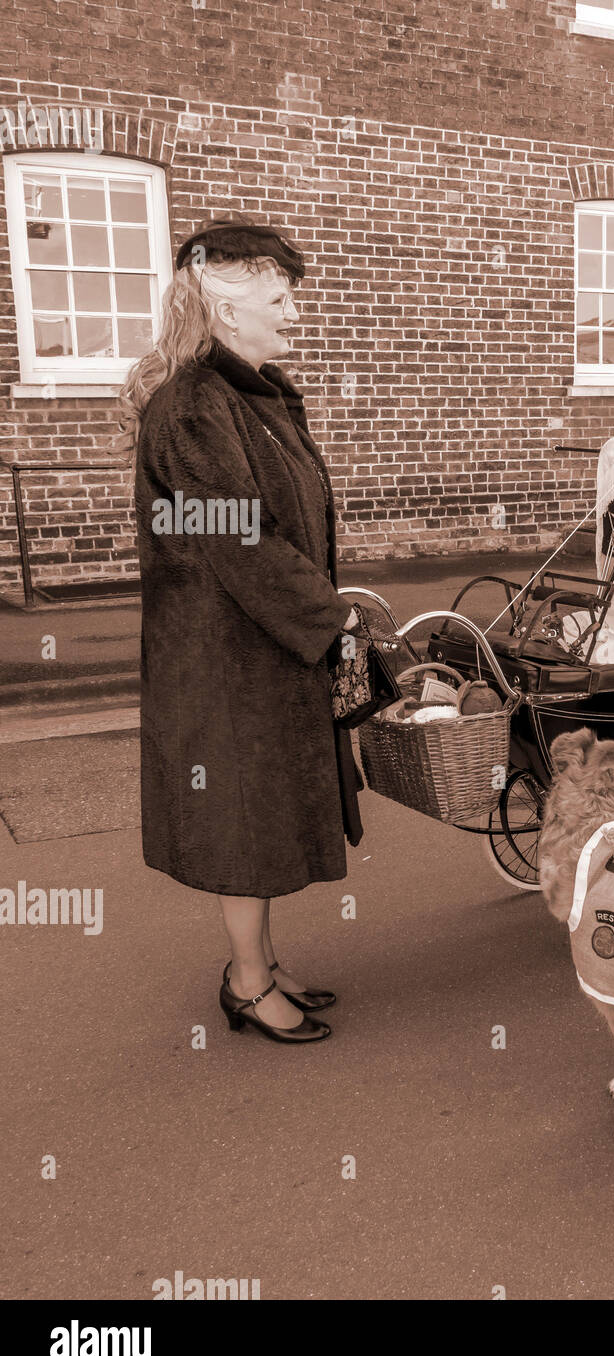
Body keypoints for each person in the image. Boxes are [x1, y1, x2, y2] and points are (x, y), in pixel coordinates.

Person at [121, 220, 363, 1044]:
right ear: (227, 312)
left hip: (256, 645)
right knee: (241, 818)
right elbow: (237, 536)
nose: (292, 312)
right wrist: (333, 616)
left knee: (258, 814)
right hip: (221, 659)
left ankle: (258, 960)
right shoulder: (194, 408)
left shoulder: (246, 395)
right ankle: (247, 984)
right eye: (278, 297)